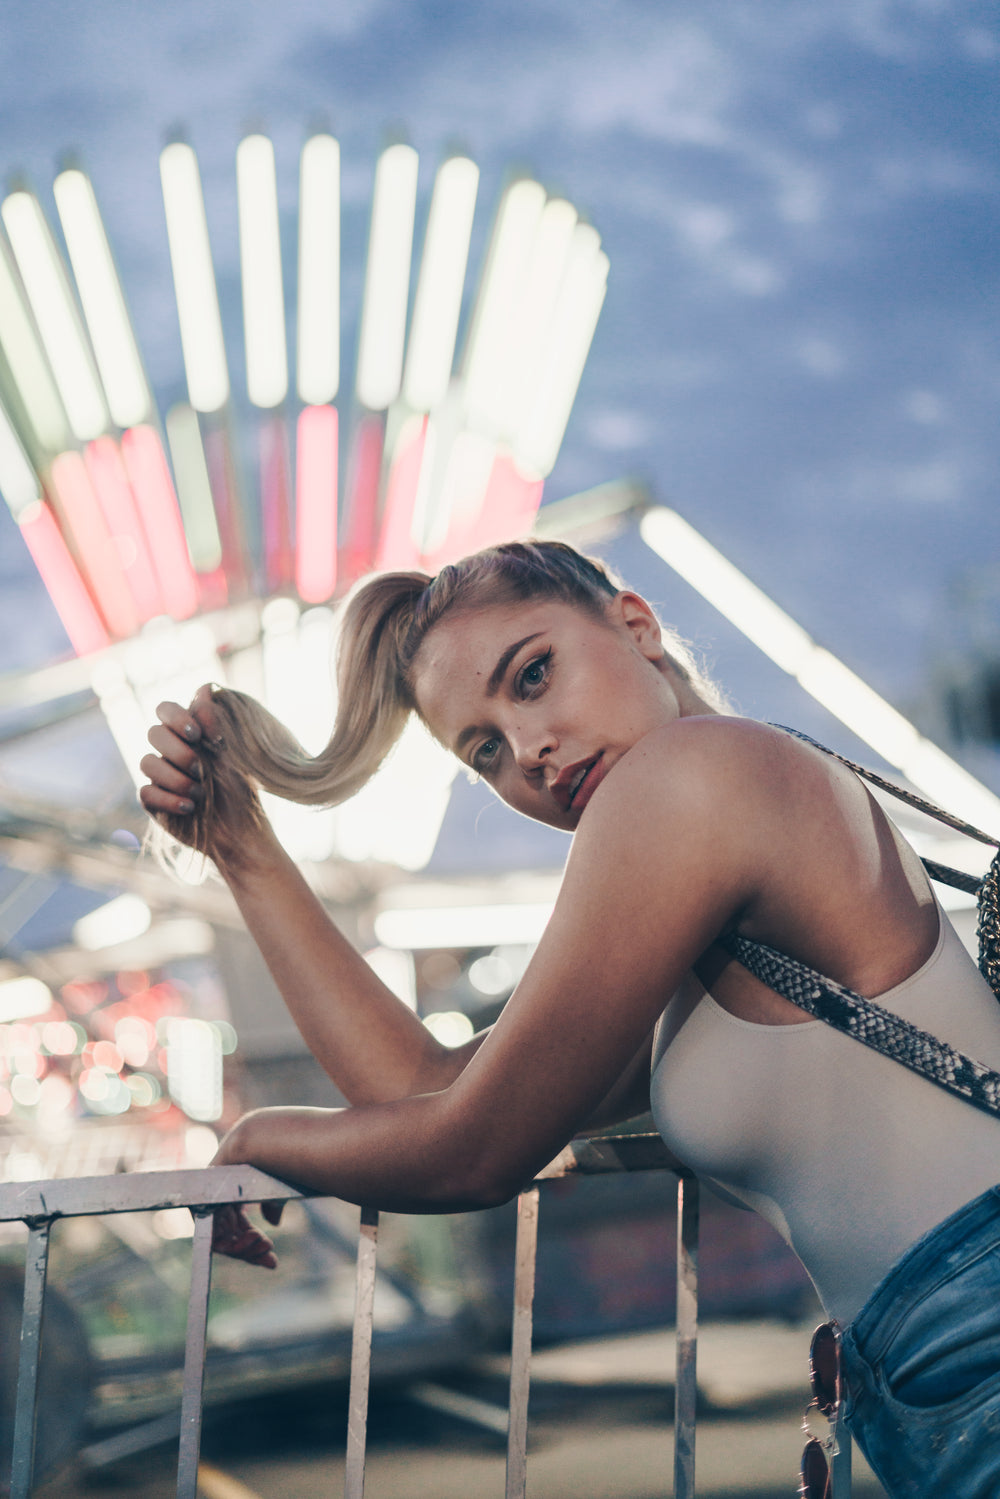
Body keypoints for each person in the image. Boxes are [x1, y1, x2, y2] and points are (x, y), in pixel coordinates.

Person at [140, 538, 1000, 1497]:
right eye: (487, 750)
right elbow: (429, 1088)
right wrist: (244, 849)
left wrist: (264, 1134)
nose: (532, 752)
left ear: (635, 625)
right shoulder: (703, 879)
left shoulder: (693, 775)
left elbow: (473, 1148)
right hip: (933, 1360)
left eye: (535, 674)